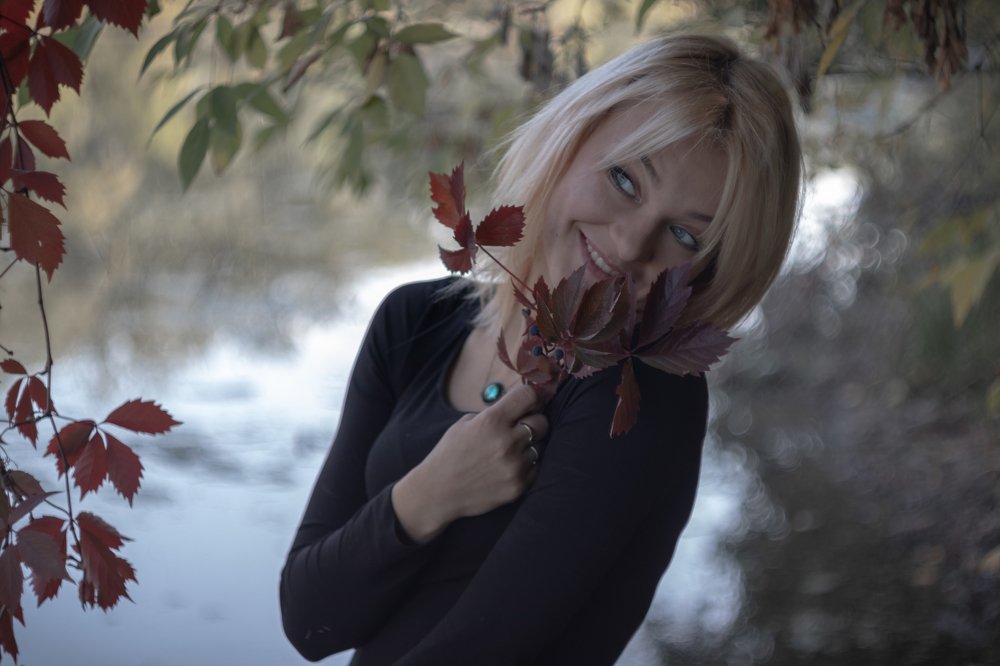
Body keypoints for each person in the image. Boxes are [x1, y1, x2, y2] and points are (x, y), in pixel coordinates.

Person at [280, 32, 800, 664]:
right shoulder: (414, 321)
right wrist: (431, 493)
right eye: (624, 180)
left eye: (686, 237)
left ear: (716, 270)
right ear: (566, 141)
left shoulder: (640, 397)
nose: (631, 244)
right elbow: (309, 618)